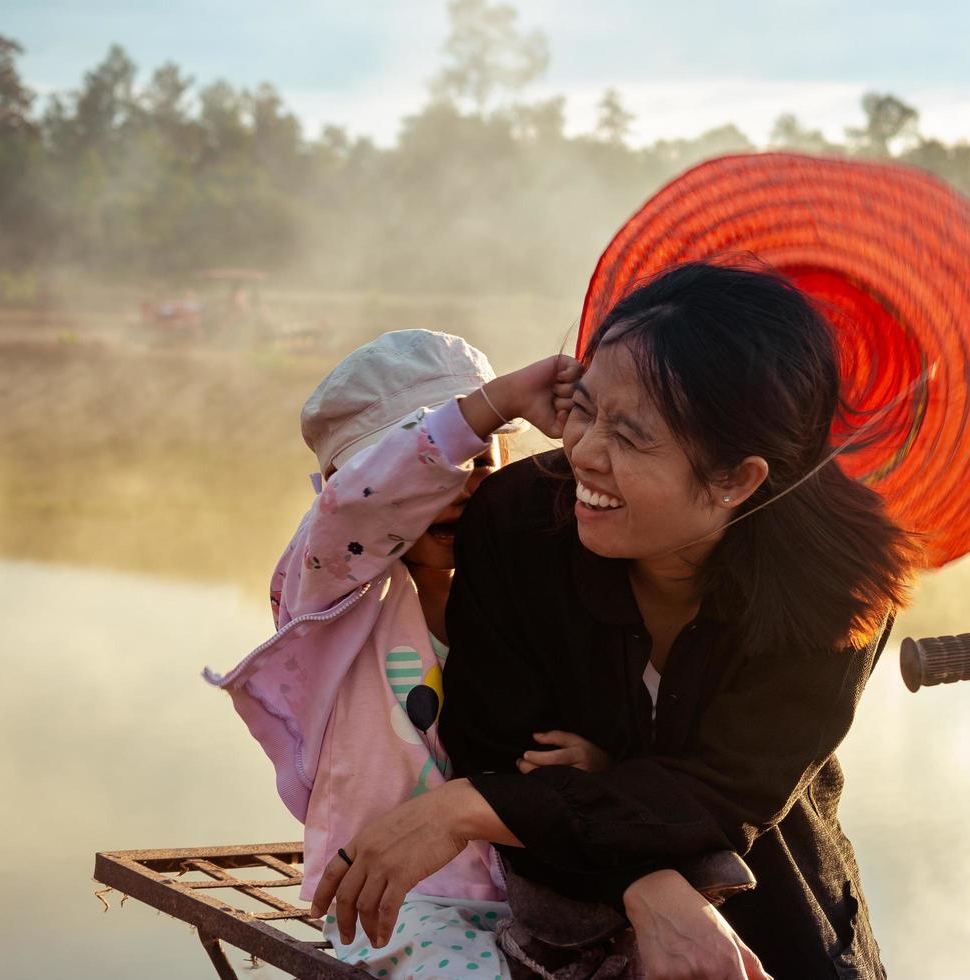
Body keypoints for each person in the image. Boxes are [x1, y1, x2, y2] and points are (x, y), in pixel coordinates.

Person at [311, 263, 919, 979]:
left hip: (770, 917)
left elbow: (725, 796)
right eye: (585, 409)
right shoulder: (519, 522)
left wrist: (458, 810)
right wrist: (644, 882)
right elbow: (497, 741)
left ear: (735, 479)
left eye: (629, 437)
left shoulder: (836, 591)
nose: (582, 454)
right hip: (569, 915)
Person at [209, 329, 754, 980]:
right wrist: (494, 405)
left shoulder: (523, 596)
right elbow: (358, 511)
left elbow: (559, 750)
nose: (460, 487)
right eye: (427, 471)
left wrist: (593, 767)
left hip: (542, 888)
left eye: (482, 465)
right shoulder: (333, 593)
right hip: (402, 897)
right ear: (343, 487)